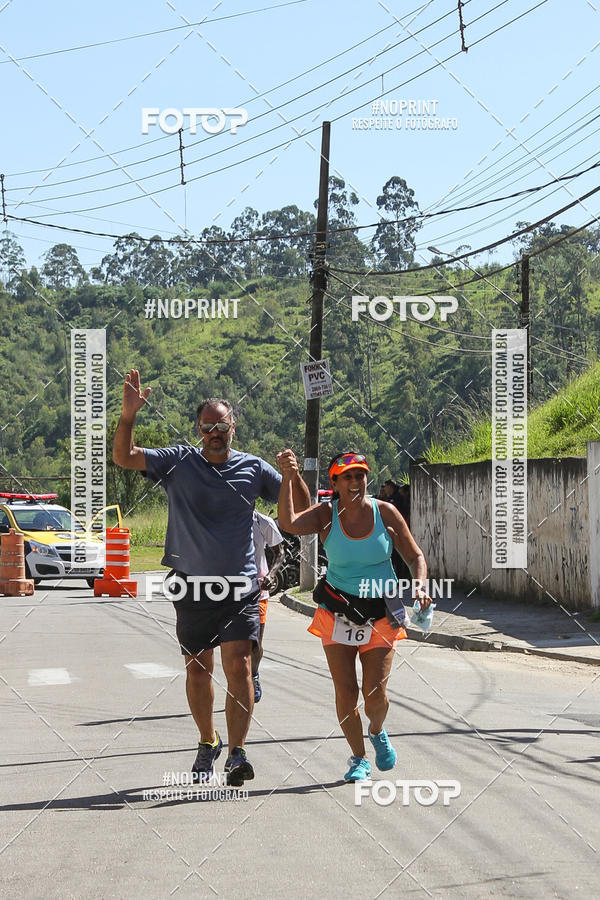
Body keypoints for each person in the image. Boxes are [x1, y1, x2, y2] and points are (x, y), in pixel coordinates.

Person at [113, 370, 310, 786]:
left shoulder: (253, 469)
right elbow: (124, 457)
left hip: (240, 587)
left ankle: (237, 753)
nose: (216, 433)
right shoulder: (179, 462)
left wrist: (293, 476)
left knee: (238, 668)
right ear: (198, 430)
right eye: (208, 427)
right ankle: (208, 741)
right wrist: (128, 416)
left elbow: (300, 515)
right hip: (192, 585)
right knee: (198, 672)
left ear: (233, 426)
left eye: (222, 425)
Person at [277, 449, 431, 783]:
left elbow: (415, 555)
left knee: (374, 694)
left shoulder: (386, 513)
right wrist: (289, 477)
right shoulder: (325, 515)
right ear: (335, 482)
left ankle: (376, 729)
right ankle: (359, 757)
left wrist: (419, 587)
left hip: (382, 611)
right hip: (337, 610)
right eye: (346, 477)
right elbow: (288, 523)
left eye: (359, 475)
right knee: (346, 692)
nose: (354, 482)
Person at [251, 510, 284, 702]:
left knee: (255, 643)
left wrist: (271, 574)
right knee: (233, 644)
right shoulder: (223, 515)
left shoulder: (263, 521)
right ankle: (237, 682)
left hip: (258, 591)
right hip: (229, 591)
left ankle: (253, 676)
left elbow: (279, 552)